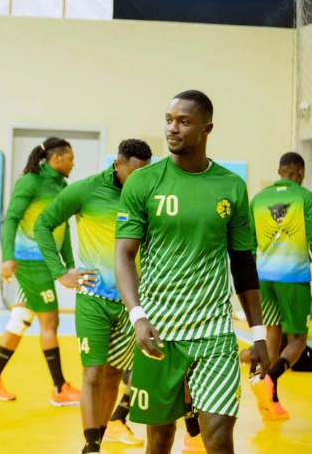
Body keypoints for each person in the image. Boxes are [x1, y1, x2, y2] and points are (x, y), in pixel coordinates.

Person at [114, 90, 270, 454]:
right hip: (157, 329)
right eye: (169, 120)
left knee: (217, 436)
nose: (173, 128)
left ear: (206, 128)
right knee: (160, 439)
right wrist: (137, 316)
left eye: (184, 121)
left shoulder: (231, 186)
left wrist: (259, 334)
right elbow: (123, 255)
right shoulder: (143, 182)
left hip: (213, 331)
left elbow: (243, 263)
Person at [34, 139, 151, 452]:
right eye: (135, 173)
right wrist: (60, 272)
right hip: (93, 300)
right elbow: (43, 223)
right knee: (93, 373)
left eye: (146, 173)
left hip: (131, 305)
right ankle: (90, 446)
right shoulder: (86, 190)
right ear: (118, 165)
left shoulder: (147, 195)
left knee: (114, 374)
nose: (141, 179)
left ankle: (101, 436)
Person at [0, 137, 81, 406]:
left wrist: (69, 262)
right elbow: (10, 219)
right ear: (56, 158)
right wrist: (7, 257)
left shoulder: (61, 185)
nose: (73, 162)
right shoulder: (30, 182)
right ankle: (59, 388)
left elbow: (64, 228)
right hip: (30, 261)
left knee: (21, 317)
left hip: (47, 262)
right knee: (50, 322)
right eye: (70, 157)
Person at [248, 151, 312, 420]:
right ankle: (269, 380)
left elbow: (250, 243)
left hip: (264, 278)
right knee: (298, 339)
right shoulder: (305, 197)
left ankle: (271, 403)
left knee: (272, 336)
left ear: (280, 171)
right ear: (300, 173)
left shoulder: (259, 198)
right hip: (294, 278)